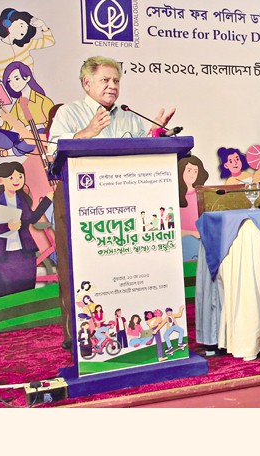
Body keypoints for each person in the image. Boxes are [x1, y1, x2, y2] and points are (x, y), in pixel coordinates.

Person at [49, 55, 176, 351]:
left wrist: (155, 135)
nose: (112, 86)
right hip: (76, 199)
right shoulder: (69, 113)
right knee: (74, 267)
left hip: (122, 203)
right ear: (87, 83)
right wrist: (86, 133)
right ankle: (77, 335)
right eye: (105, 80)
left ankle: (125, 327)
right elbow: (52, 153)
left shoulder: (129, 116)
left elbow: (140, 154)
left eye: (116, 80)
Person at [0, 162, 52, 298]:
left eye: (20, 177)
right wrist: (7, 226)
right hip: (1, 255)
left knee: (26, 292)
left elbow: (32, 219)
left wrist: (47, 200)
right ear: (1, 180)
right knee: (4, 294)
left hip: (24, 253)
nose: (17, 180)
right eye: (11, 178)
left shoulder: (22, 198)